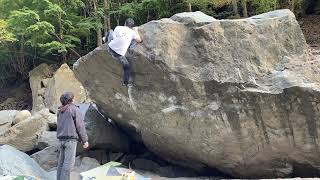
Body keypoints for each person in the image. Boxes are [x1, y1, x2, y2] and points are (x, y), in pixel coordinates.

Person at [56, 92, 89, 180]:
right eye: (74, 98)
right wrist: (85, 140)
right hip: (70, 141)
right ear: (71, 100)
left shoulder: (60, 110)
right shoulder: (74, 109)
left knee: (61, 163)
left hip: (61, 139)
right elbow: (80, 126)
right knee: (68, 165)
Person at [104, 18, 142, 86]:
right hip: (119, 54)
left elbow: (114, 37)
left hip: (110, 48)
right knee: (127, 67)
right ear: (132, 26)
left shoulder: (118, 27)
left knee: (110, 31)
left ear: (125, 23)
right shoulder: (132, 32)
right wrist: (136, 30)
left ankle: (105, 39)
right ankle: (125, 82)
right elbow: (139, 40)